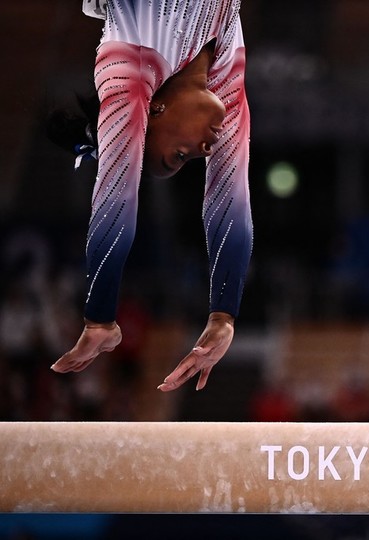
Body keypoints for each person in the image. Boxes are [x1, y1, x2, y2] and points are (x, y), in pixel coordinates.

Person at [49, 0, 253, 392]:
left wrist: (99, 316)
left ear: (153, 110)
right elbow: (230, 199)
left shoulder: (128, 68)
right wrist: (223, 316)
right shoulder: (223, 76)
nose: (204, 150)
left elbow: (116, 196)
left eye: (180, 155)